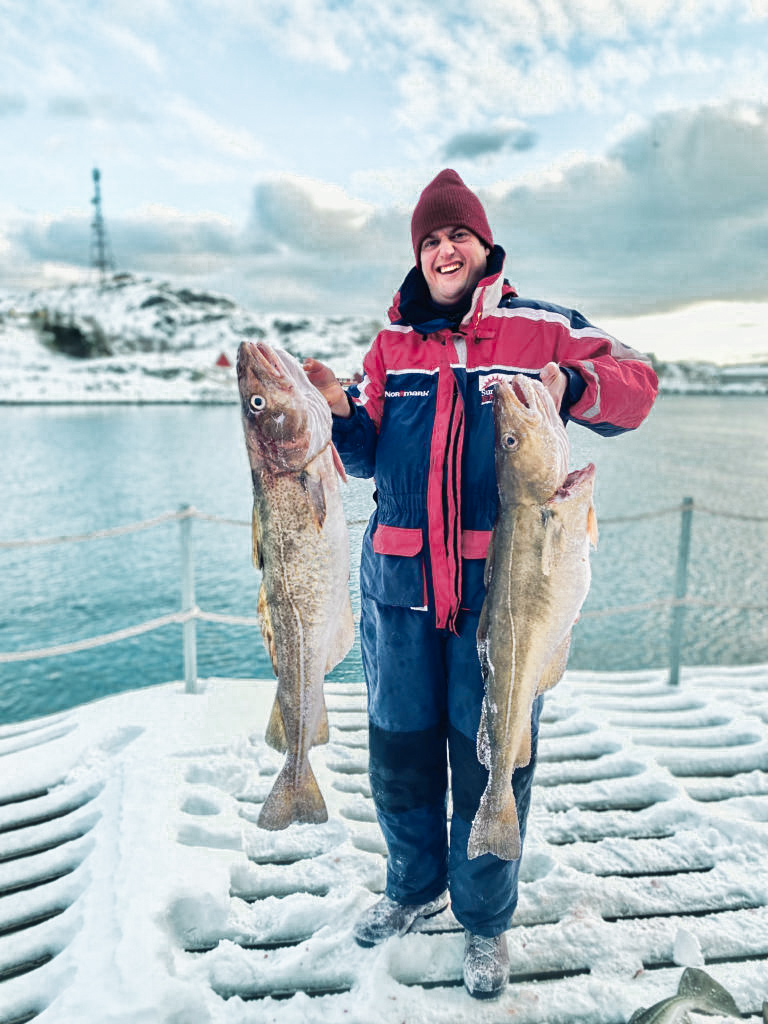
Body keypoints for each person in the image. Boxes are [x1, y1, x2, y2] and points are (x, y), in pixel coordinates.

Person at [304, 169, 658, 999]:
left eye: (455, 235)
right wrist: (338, 414)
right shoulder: (391, 345)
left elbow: (637, 389)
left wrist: (573, 384)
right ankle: (414, 887)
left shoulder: (540, 329)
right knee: (399, 758)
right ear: (418, 257)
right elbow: (360, 458)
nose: (442, 250)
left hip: (504, 597)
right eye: (428, 240)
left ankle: (486, 920)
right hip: (397, 597)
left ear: (484, 244)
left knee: (494, 750)